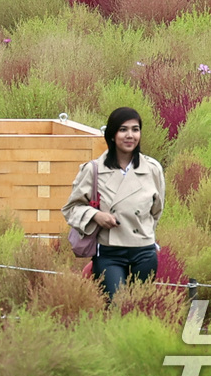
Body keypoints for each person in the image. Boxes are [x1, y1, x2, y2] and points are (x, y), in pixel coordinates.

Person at [61, 106, 165, 299]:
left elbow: (156, 210)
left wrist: (143, 232)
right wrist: (96, 216)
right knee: (116, 305)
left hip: (144, 250)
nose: (130, 135)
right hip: (109, 251)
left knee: (139, 308)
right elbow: (71, 208)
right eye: (123, 129)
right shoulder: (93, 170)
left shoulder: (152, 169)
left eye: (135, 129)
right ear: (112, 134)